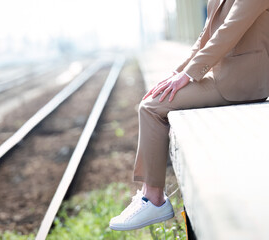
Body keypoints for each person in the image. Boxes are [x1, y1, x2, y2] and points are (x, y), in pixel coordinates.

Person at [109, 0, 269, 231]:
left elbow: (229, 31)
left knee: (152, 108)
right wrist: (178, 72)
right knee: (151, 100)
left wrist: (190, 74)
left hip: (243, 82)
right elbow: (205, 36)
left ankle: (154, 199)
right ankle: (148, 194)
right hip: (222, 73)